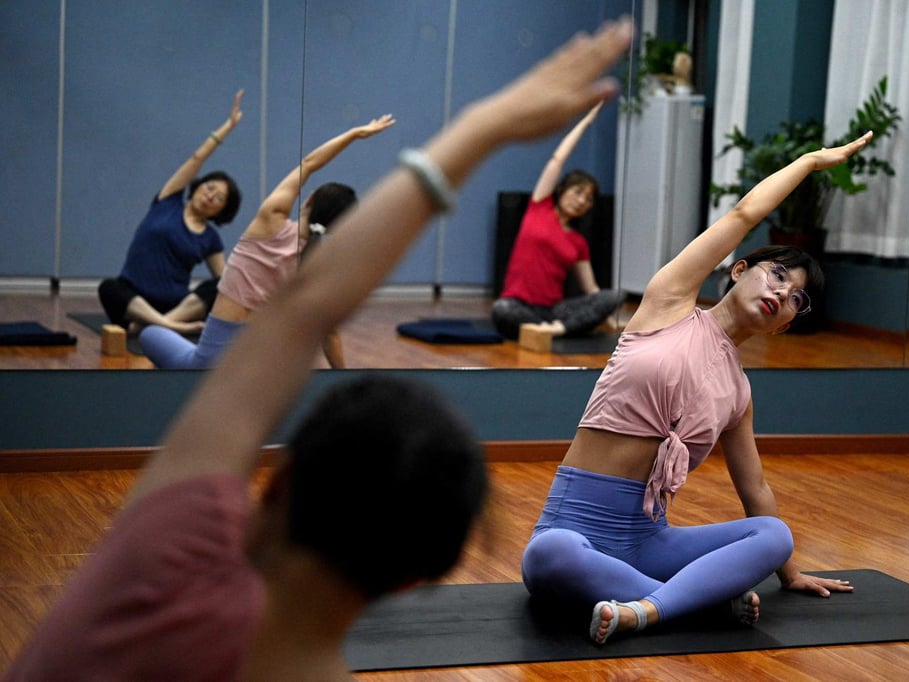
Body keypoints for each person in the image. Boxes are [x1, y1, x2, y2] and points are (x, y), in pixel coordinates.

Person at [3, 18, 635, 681]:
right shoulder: (276, 221)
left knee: (186, 351)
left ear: (277, 485)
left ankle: (154, 325)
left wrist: (482, 127)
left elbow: (305, 313)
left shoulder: (167, 552)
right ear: (406, 585)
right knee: (175, 345)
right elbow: (306, 307)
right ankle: (153, 324)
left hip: (226, 346)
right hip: (217, 339)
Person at [520, 131, 874, 644]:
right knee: (548, 555)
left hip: (646, 542)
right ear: (739, 270)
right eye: (776, 275)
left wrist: (789, 573)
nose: (781, 292)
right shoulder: (668, 304)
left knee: (773, 534)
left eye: (796, 298)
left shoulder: (739, 394)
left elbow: (755, 490)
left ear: (785, 326)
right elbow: (741, 216)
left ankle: (647, 609)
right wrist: (811, 162)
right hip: (575, 531)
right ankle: (694, 603)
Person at [138, 114, 395, 369]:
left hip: (209, 367)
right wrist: (342, 376)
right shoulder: (320, 266)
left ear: (309, 201)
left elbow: (310, 163)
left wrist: (354, 134)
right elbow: (330, 334)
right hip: (259, 367)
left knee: (149, 334)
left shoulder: (270, 220)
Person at [98, 91, 244, 335]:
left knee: (218, 287)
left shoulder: (210, 238)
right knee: (108, 287)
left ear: (222, 210)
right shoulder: (168, 201)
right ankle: (167, 327)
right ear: (198, 186)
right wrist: (227, 128)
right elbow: (196, 159)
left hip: (175, 304)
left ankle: (158, 324)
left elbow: (225, 283)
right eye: (210, 188)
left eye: (219, 198)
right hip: (134, 300)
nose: (210, 196)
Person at [490, 101, 625, 343]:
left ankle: (556, 330)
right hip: (519, 307)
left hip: (554, 312)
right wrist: (585, 123)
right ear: (561, 191)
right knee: (501, 309)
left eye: (588, 198)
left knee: (613, 296)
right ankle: (554, 329)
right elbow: (557, 160)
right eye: (577, 192)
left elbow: (592, 290)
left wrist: (607, 316)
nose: (581, 200)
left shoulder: (578, 242)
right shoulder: (539, 207)